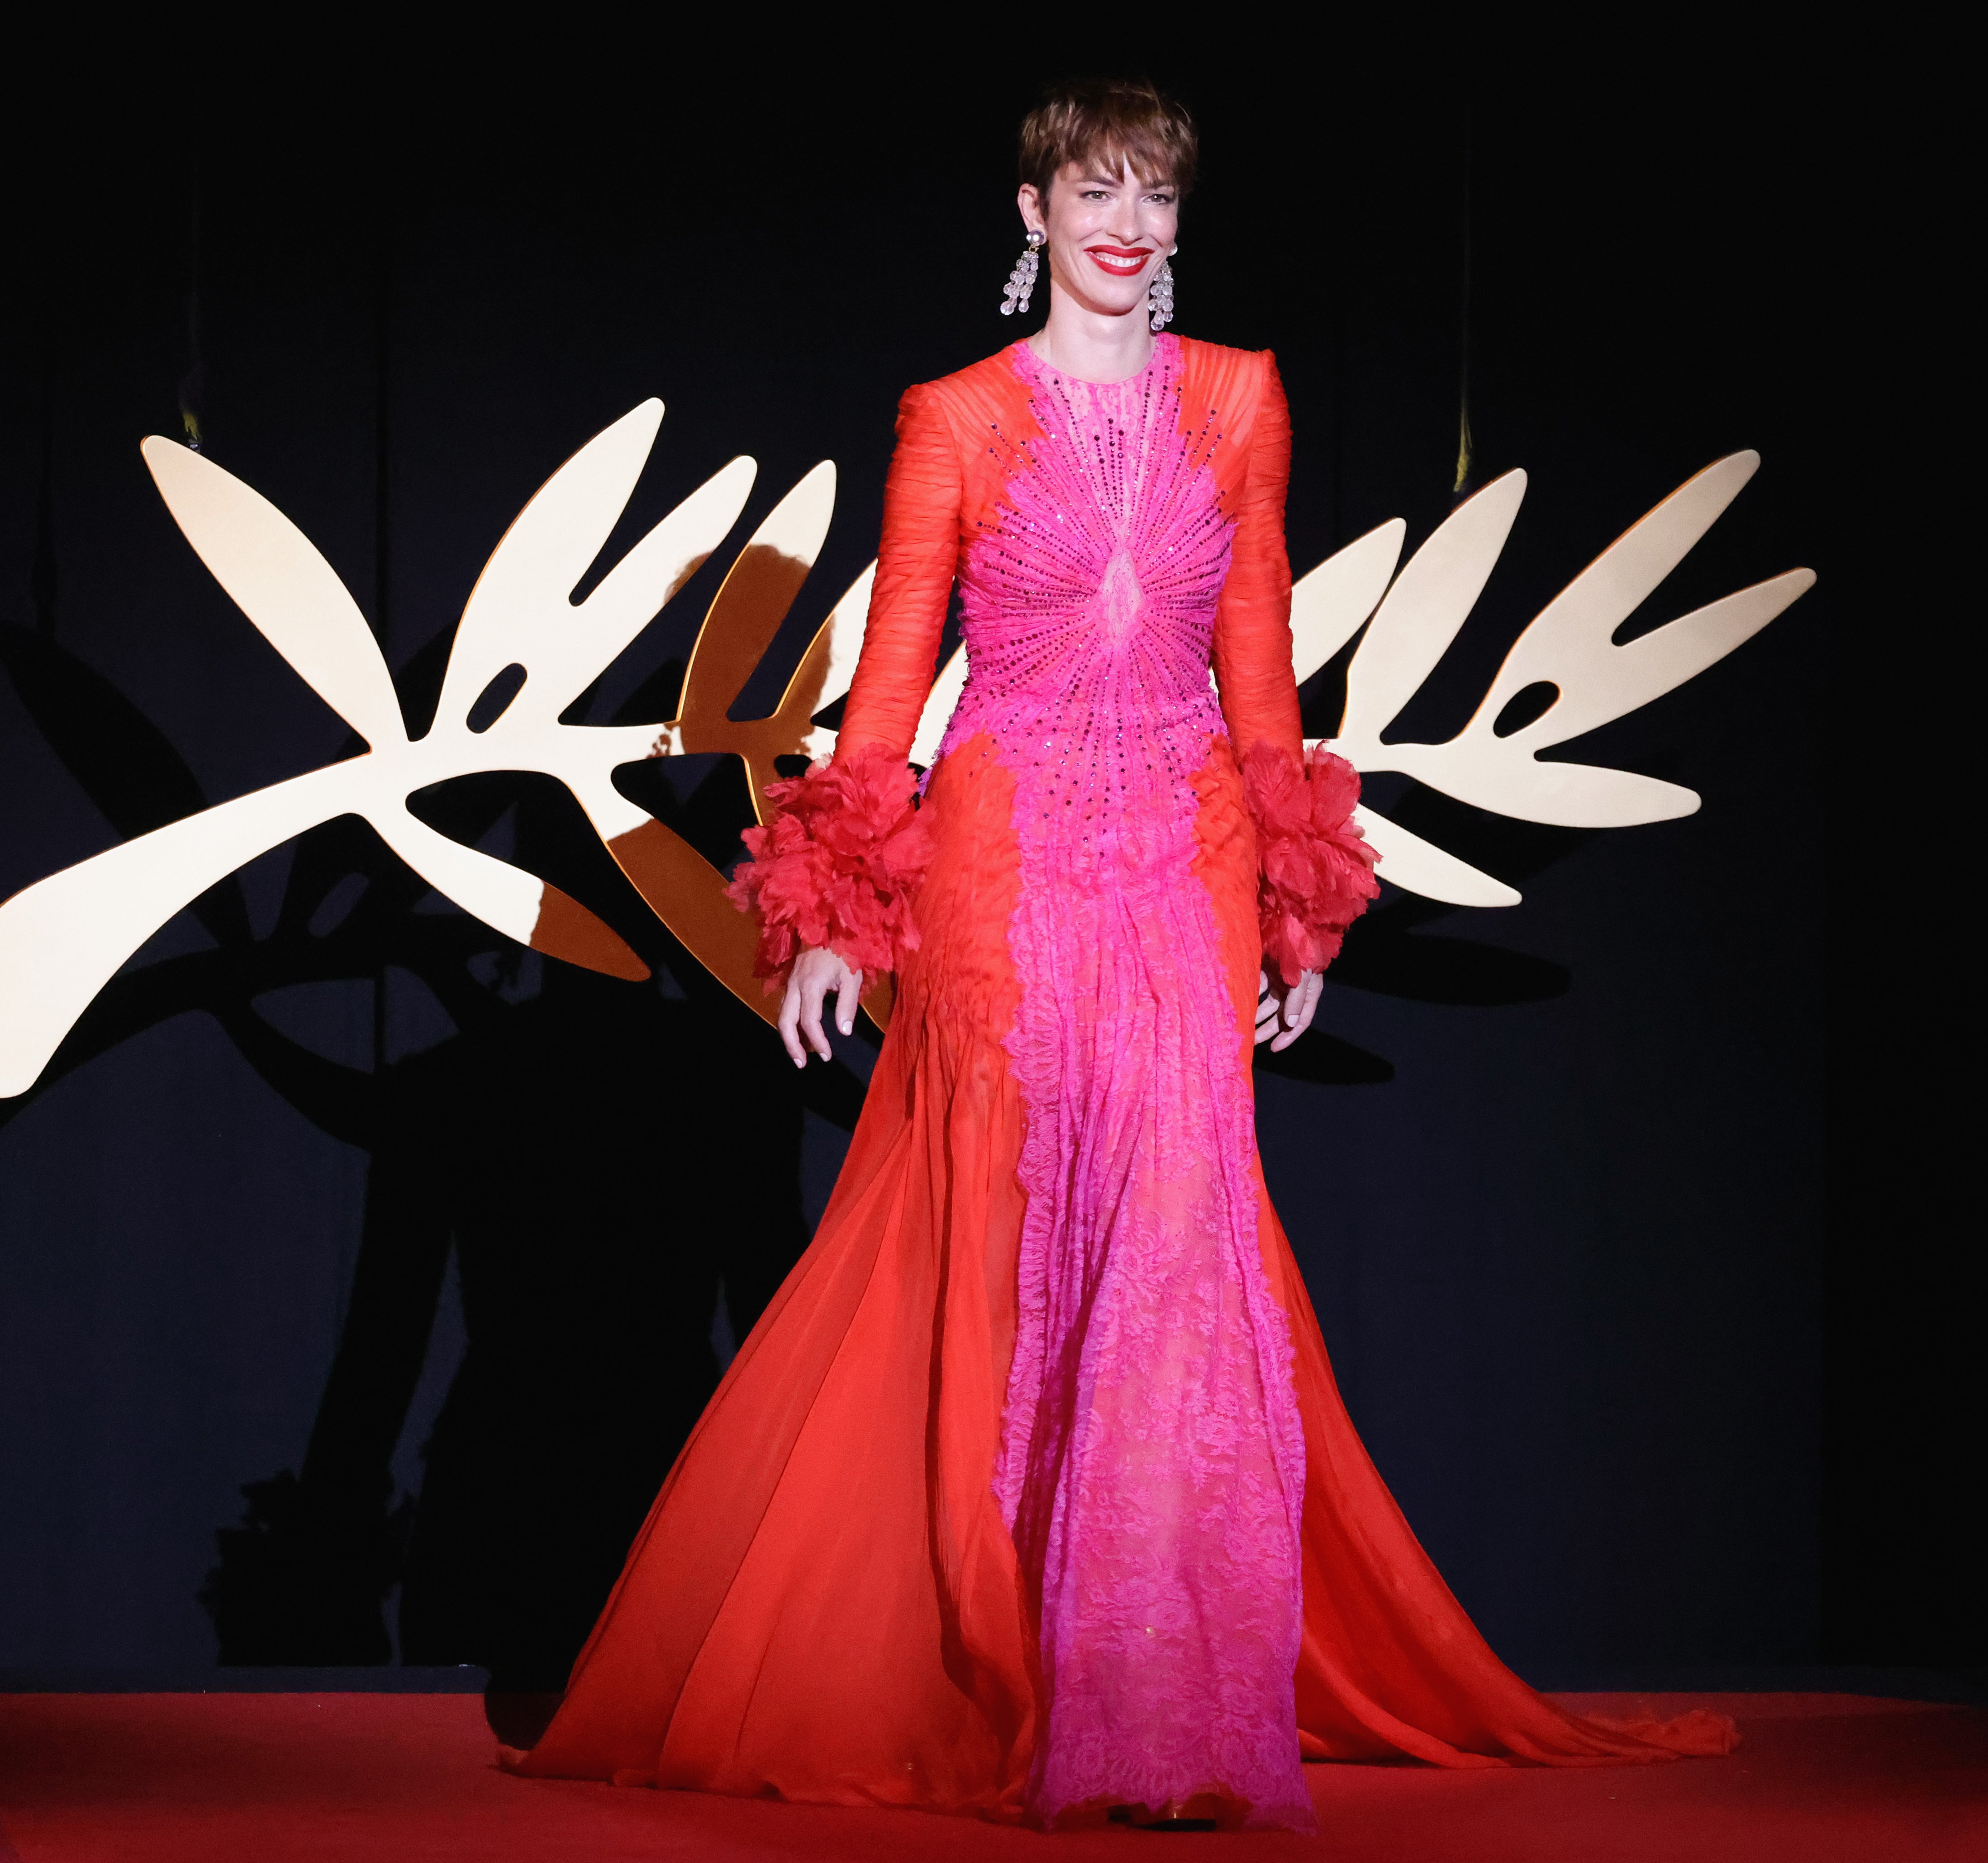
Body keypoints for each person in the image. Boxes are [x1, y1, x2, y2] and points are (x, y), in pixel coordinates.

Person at [511, 79, 1733, 1833]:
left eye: (1156, 194)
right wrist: (842, 918)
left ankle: (1153, 1713)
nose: (1128, 221)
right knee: (1005, 1237)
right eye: (1095, 187)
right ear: (1031, 213)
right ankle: (989, 1660)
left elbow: (1261, 673)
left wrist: (1297, 902)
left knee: (1173, 1243)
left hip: (1185, 856)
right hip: (1006, 861)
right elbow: (891, 684)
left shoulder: (1240, 398)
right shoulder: (951, 416)